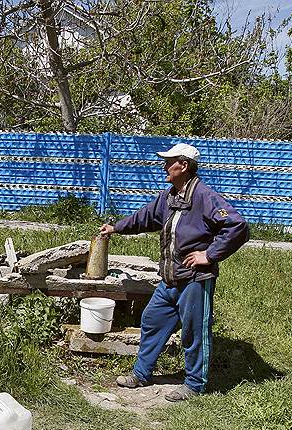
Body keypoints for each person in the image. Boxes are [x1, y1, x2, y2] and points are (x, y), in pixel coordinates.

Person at [100, 143, 248, 402]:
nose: (165, 166)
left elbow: (237, 226)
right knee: (151, 320)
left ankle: (194, 384)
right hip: (170, 279)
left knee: (193, 333)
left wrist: (209, 255)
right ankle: (142, 374)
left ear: (185, 166)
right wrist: (117, 228)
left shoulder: (204, 197)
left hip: (194, 281)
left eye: (169, 162)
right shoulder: (169, 197)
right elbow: (144, 217)